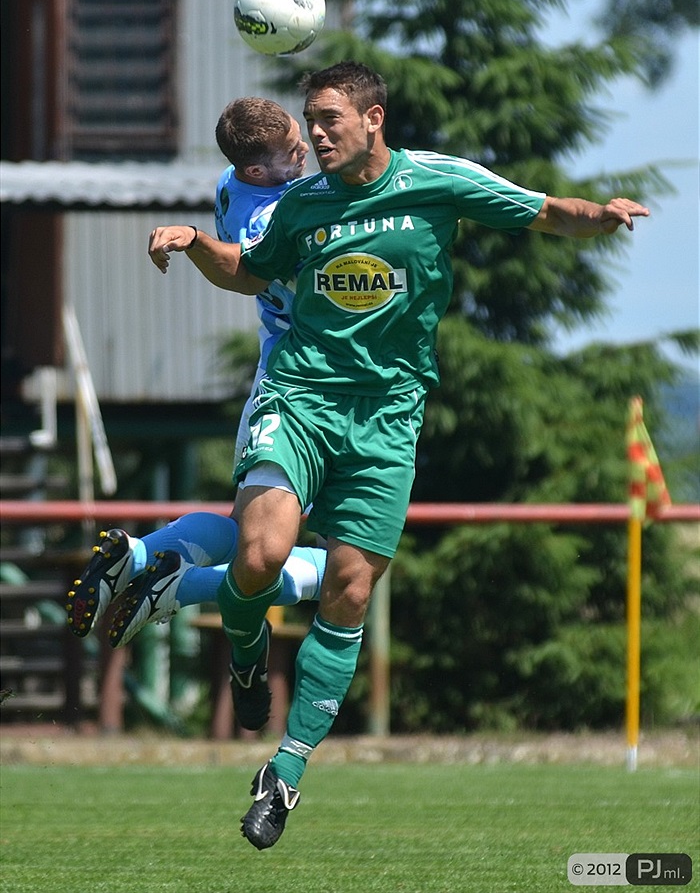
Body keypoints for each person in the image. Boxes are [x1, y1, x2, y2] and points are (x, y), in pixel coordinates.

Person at [148, 61, 650, 850]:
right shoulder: (302, 204)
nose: (315, 135)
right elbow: (252, 272)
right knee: (260, 552)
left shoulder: (436, 181)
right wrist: (195, 244)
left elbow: (542, 211)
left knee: (348, 589)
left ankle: (285, 770)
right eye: (309, 121)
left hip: (388, 415)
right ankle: (247, 652)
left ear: (373, 119)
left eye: (329, 120)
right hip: (301, 396)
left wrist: (603, 214)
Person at [67, 98, 326, 652]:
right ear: (257, 170)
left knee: (247, 535)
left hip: (294, 375)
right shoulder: (274, 215)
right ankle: (182, 584)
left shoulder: (234, 182)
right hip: (304, 379)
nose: (307, 145)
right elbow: (249, 270)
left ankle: (138, 557)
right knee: (341, 569)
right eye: (292, 148)